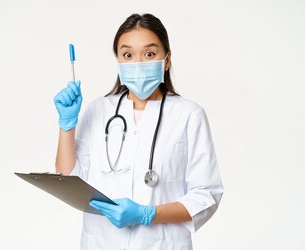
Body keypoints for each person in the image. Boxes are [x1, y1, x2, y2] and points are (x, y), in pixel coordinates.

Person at [53, 13, 223, 249]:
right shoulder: (99, 110)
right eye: (128, 55)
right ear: (119, 61)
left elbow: (206, 196)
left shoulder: (188, 115)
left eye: (150, 53)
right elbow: (68, 177)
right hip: (101, 242)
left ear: (166, 60)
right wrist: (66, 126)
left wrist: (147, 214)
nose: (139, 63)